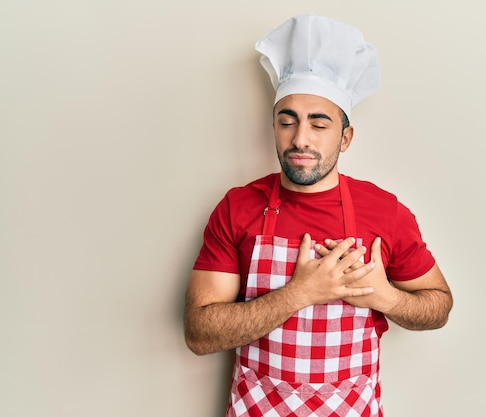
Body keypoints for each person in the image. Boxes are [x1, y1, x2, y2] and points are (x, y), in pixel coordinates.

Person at [184, 14, 453, 417]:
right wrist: (300, 293)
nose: (300, 139)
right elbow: (199, 335)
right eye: (286, 121)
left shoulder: (385, 212)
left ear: (345, 136)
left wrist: (387, 298)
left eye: (319, 123)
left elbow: (439, 306)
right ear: (274, 127)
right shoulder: (238, 207)